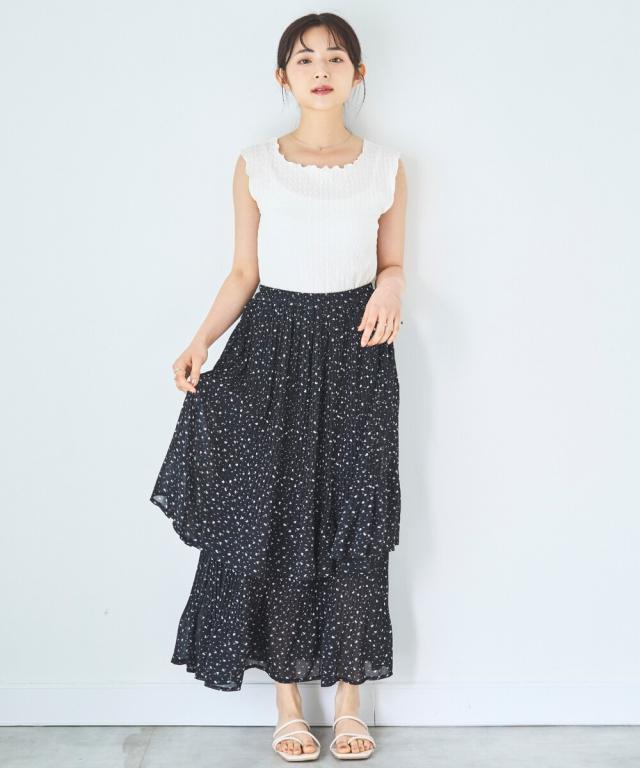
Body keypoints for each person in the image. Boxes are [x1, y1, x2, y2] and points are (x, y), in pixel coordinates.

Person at [150, 11, 406, 762]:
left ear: (358, 73)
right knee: (273, 520)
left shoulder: (387, 166)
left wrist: (393, 285)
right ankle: (288, 703)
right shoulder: (256, 164)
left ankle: (351, 699)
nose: (320, 69)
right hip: (269, 351)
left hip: (357, 355)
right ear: (283, 76)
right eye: (304, 58)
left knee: (354, 518)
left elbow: (393, 261)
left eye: (335, 57)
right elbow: (244, 272)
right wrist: (200, 340)